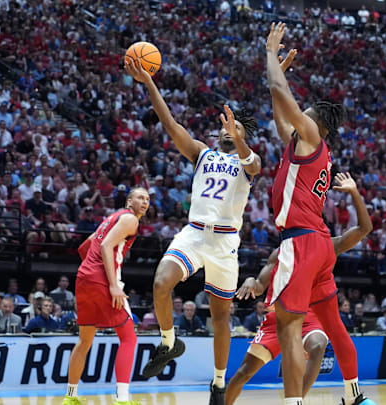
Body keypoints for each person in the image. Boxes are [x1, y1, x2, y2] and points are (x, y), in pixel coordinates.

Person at [125, 56, 262, 405]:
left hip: (225, 243)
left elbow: (256, 166)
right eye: (222, 127)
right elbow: (170, 123)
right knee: (160, 282)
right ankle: (169, 343)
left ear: (242, 133)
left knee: (220, 318)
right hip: (194, 234)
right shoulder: (203, 153)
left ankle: (218, 383)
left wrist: (239, 137)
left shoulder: (246, 161)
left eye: (232, 127)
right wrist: (149, 84)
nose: (223, 130)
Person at [264, 23, 372, 405]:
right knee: (333, 324)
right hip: (320, 243)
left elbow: (281, 94)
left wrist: (271, 55)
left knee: (289, 326)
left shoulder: (311, 135)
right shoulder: (304, 145)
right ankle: (353, 394)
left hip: (301, 241)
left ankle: (294, 402)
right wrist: (278, 74)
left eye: (305, 115)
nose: (299, 118)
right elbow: (280, 111)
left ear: (318, 125)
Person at [228, 172, 372, 405]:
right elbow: (259, 285)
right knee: (244, 372)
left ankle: (296, 401)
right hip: (277, 319)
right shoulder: (280, 253)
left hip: (310, 317)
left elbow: (364, 228)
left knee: (318, 346)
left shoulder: (327, 245)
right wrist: (249, 281)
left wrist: (355, 193)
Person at [62, 187, 150, 405]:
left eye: (147, 199)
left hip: (84, 278)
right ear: (129, 201)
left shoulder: (110, 218)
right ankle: (122, 399)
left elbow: (85, 247)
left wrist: (89, 271)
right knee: (129, 337)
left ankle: (70, 397)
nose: (145, 202)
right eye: (140, 197)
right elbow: (106, 244)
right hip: (102, 279)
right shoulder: (130, 219)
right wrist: (112, 285)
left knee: (84, 341)